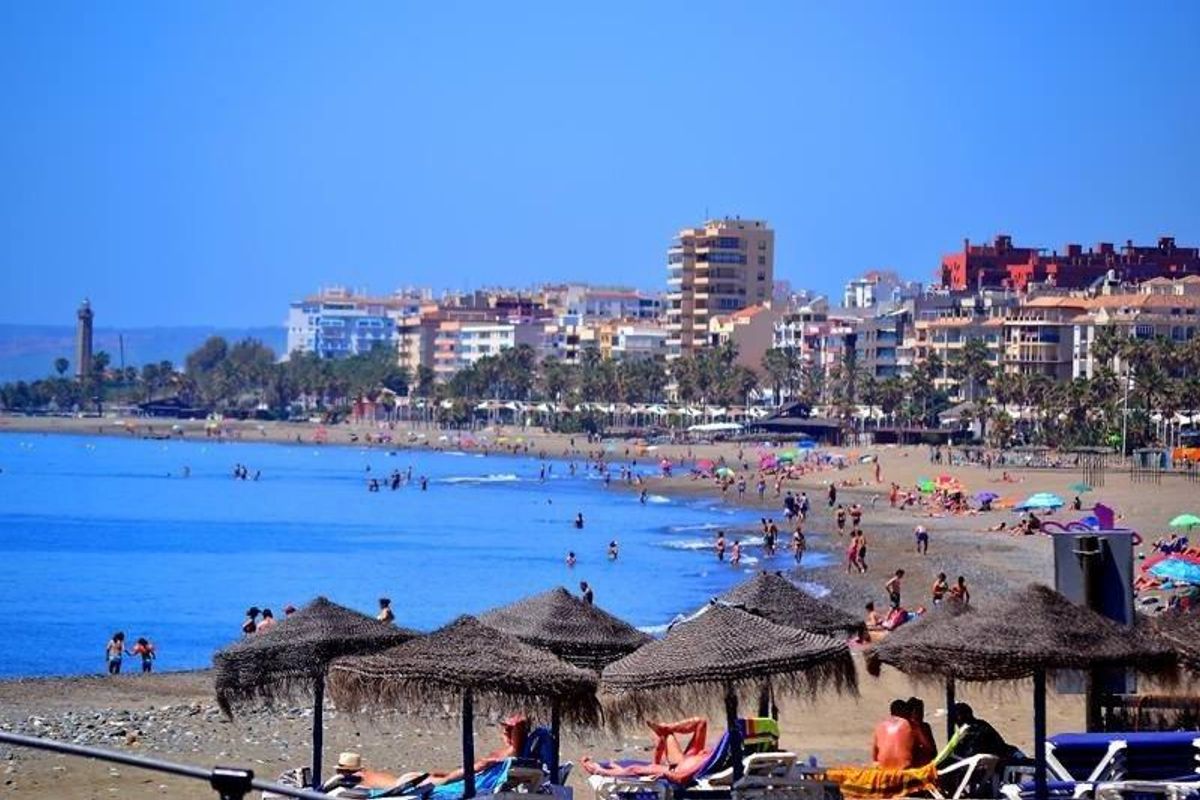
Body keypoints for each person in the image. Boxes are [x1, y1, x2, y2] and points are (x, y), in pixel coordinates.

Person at [950, 703, 1019, 762]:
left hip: (1009, 758)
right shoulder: (977, 726)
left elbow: (971, 752)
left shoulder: (975, 729)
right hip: (1007, 756)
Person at [871, 699, 914, 769]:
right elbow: (927, 746)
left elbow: (874, 756)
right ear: (904, 712)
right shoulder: (909, 724)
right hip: (903, 767)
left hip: (882, 768)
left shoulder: (880, 726)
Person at [906, 697, 937, 767]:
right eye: (918, 711)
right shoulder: (906, 728)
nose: (921, 714)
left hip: (924, 765)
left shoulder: (925, 727)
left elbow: (933, 751)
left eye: (922, 711)